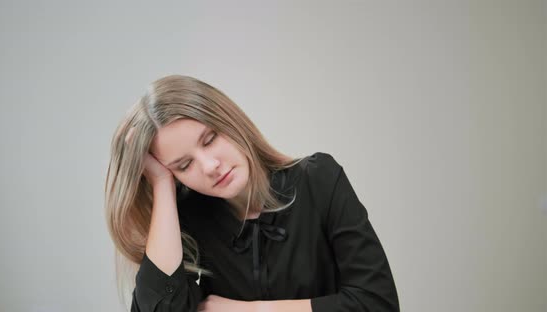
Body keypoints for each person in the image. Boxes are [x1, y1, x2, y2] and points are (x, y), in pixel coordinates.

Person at [104, 75, 400, 312]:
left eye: (210, 140)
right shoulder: (186, 219)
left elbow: (378, 304)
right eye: (184, 165)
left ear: (229, 121)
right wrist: (161, 184)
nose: (210, 166)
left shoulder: (318, 179)